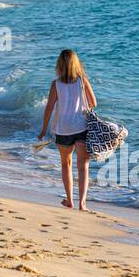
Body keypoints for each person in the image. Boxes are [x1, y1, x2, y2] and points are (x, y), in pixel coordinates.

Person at [37, 49, 98, 210]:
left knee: (66, 164)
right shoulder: (82, 81)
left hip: (63, 129)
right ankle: (82, 203)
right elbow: (93, 103)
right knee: (83, 165)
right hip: (81, 127)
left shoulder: (56, 84)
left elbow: (49, 108)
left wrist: (43, 129)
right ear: (76, 64)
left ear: (60, 65)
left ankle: (70, 199)